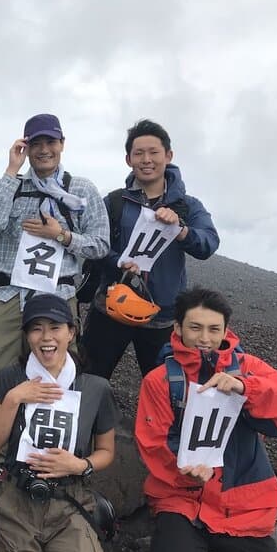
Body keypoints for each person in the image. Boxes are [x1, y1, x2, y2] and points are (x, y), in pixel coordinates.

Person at [135, 287, 277, 552]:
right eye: (195, 327)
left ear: (226, 331)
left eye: (214, 329)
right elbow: (152, 443)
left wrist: (247, 388)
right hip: (182, 498)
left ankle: (248, 551)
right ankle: (206, 548)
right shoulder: (160, 380)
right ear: (178, 328)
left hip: (241, 503)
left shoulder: (251, 368)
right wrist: (186, 473)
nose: (204, 338)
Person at [0, 113, 110, 489]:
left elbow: (100, 244)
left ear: (62, 144)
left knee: (57, 370)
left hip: (58, 294)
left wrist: (62, 235)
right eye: (36, 143)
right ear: (26, 146)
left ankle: (55, 448)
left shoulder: (81, 189)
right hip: (9, 291)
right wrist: (10, 170)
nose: (44, 150)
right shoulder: (13, 183)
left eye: (51, 142)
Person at [0, 294, 119, 552]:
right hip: (19, 499)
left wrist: (79, 465)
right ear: (26, 336)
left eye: (55, 327)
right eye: (36, 329)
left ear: (71, 332)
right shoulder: (9, 380)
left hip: (69, 501)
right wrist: (15, 398)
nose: (46, 338)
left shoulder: (96, 388)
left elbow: (106, 452)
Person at [80, 119, 219, 380]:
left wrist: (181, 230)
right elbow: (94, 244)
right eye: (138, 153)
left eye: (154, 152)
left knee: (166, 388)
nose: (146, 159)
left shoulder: (188, 206)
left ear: (168, 155)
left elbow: (208, 244)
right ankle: (95, 421)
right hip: (111, 308)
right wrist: (118, 262)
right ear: (128, 159)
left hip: (163, 315)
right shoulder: (114, 201)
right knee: (90, 377)